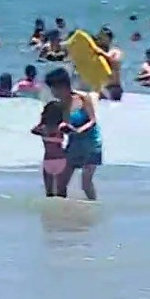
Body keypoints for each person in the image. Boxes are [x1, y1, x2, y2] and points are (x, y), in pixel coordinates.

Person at [44, 68, 102, 200]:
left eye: (54, 88)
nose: (52, 92)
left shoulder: (83, 98)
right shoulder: (59, 105)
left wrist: (79, 130)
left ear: (63, 86)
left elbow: (92, 121)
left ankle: (94, 208)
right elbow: (61, 126)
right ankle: (62, 213)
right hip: (74, 143)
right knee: (61, 184)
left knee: (85, 184)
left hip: (91, 143)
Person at [30, 100, 69, 197]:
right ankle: (63, 211)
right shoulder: (61, 127)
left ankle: (51, 212)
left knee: (49, 194)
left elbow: (33, 130)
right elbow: (73, 131)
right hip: (61, 160)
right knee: (62, 194)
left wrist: (43, 121)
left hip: (48, 160)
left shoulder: (42, 128)